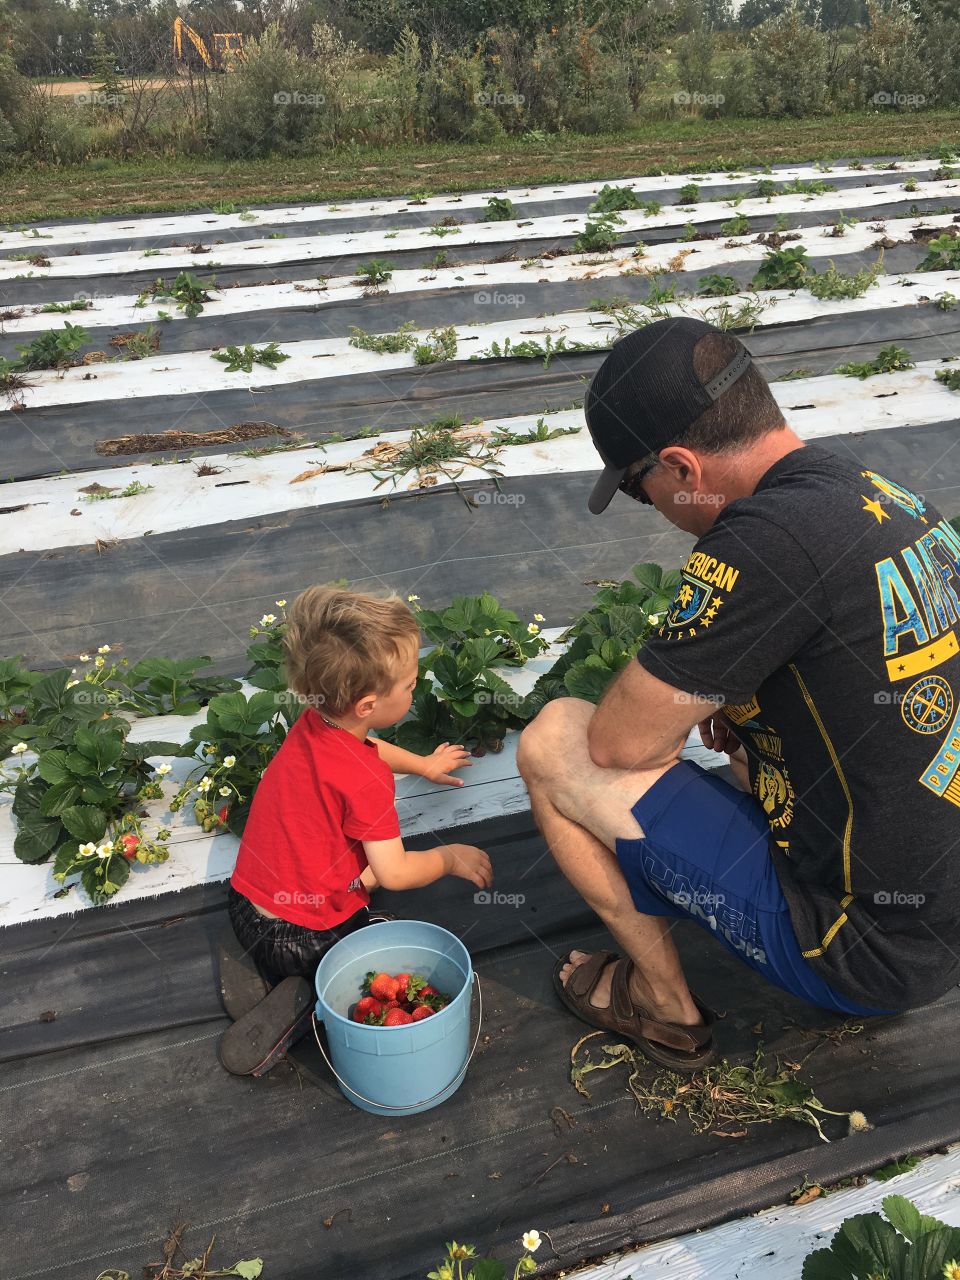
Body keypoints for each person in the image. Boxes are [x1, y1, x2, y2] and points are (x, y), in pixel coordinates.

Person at [517, 316, 960, 1070]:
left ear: (683, 468)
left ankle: (665, 1009)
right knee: (752, 736)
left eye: (635, 486)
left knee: (555, 738)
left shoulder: (763, 542)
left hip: (872, 955)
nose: (647, 505)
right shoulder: (875, 493)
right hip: (938, 903)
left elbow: (620, 743)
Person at [217, 586, 493, 1076]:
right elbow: (394, 872)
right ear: (367, 705)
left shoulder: (315, 720)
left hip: (244, 903)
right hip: (300, 935)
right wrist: (449, 858)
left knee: (340, 880)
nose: (415, 689)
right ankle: (305, 1001)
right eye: (409, 685)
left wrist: (423, 766)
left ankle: (259, 963)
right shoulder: (366, 783)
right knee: (382, 941)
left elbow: (369, 749)